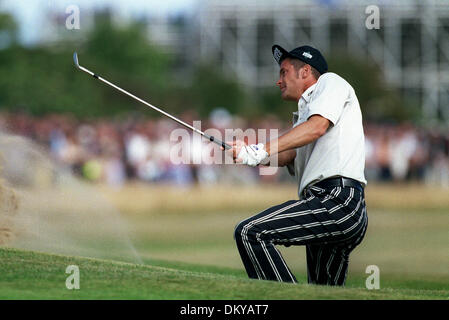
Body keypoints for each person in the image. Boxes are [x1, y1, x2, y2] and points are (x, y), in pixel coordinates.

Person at [229, 45, 368, 286]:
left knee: (250, 233)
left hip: (337, 200)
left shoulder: (330, 82)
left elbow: (316, 128)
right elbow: (289, 154)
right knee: (323, 292)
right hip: (327, 202)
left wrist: (259, 150)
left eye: (283, 72)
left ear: (305, 72)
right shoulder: (305, 115)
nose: (278, 81)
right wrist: (247, 152)